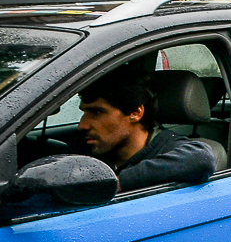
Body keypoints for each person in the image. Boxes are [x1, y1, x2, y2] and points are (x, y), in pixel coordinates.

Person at [77, 68, 217, 193]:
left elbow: (202, 159)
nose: (83, 125)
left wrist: (120, 182)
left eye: (97, 112)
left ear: (135, 113)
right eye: (84, 112)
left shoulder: (169, 148)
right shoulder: (88, 148)